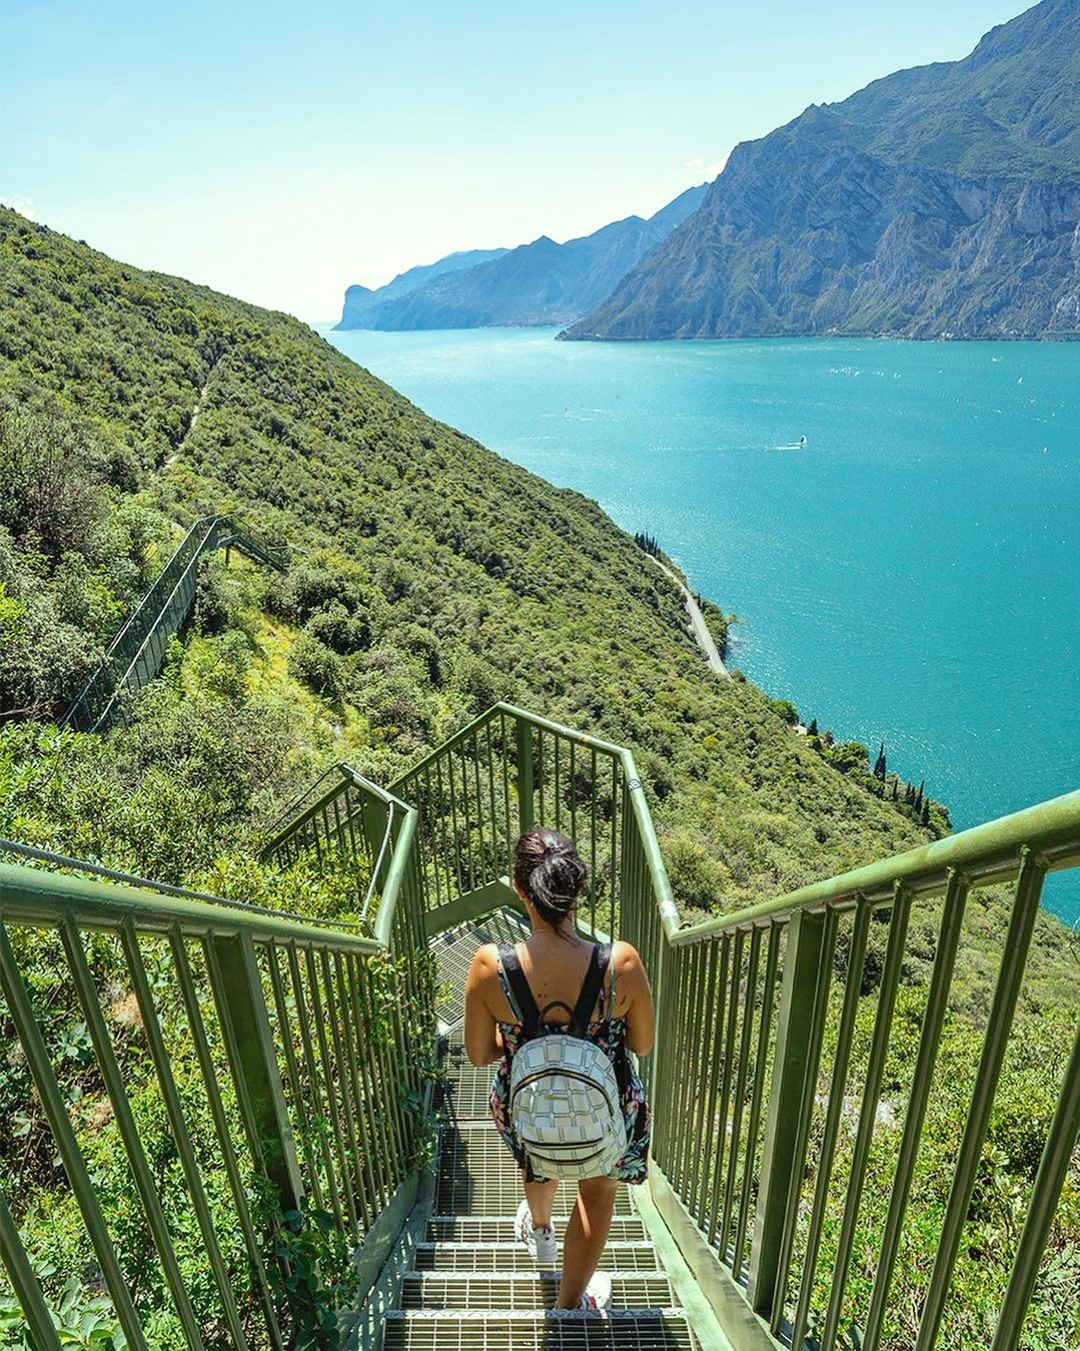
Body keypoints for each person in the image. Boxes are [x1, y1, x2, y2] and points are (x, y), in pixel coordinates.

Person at [463, 825, 655, 1312]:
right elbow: (643, 1044)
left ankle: (542, 1232)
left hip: (526, 1106)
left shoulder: (491, 966)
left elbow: (479, 1055)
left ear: (519, 888)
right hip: (606, 1111)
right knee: (595, 1193)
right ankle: (570, 1306)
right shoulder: (621, 962)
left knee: (537, 1144)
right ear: (577, 889)